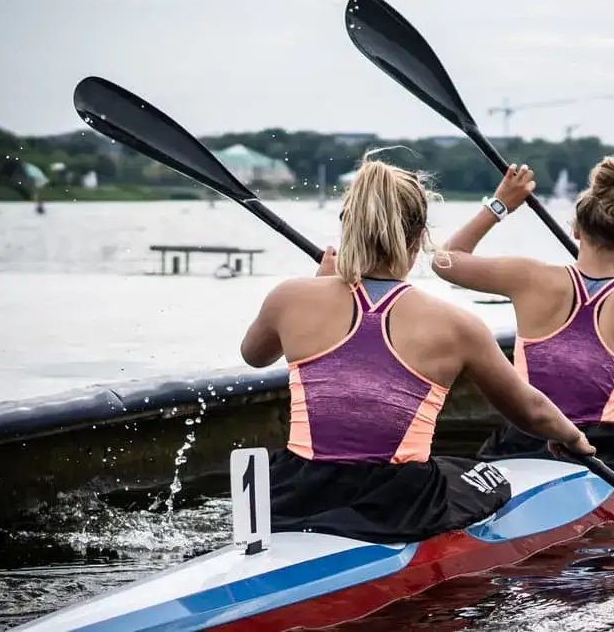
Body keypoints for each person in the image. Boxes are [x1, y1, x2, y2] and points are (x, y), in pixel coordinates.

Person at [239, 149, 594, 545]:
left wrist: (317, 282)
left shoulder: (288, 297)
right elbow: (529, 409)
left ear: (347, 229)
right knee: (489, 475)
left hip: (293, 493)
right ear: (419, 237)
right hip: (396, 505)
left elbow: (254, 355)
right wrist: (575, 438)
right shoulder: (456, 324)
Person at [431, 155, 614, 471]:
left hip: (527, 440)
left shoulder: (528, 277)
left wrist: (500, 204)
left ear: (576, 230)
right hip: (605, 448)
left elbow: (444, 261)